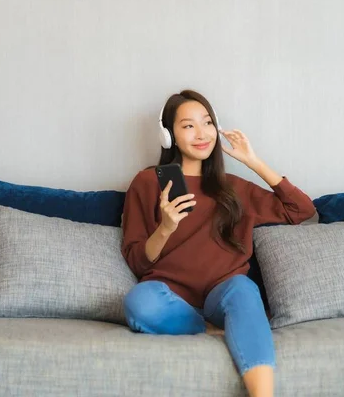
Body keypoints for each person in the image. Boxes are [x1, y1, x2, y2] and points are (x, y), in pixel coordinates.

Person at [120, 89, 316, 397]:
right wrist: (166, 227)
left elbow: (301, 210)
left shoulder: (233, 188)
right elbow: (137, 260)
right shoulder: (146, 183)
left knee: (243, 290)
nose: (202, 133)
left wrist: (253, 161)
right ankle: (209, 328)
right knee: (138, 303)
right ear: (168, 135)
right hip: (171, 296)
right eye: (188, 126)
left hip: (224, 292)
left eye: (207, 123)